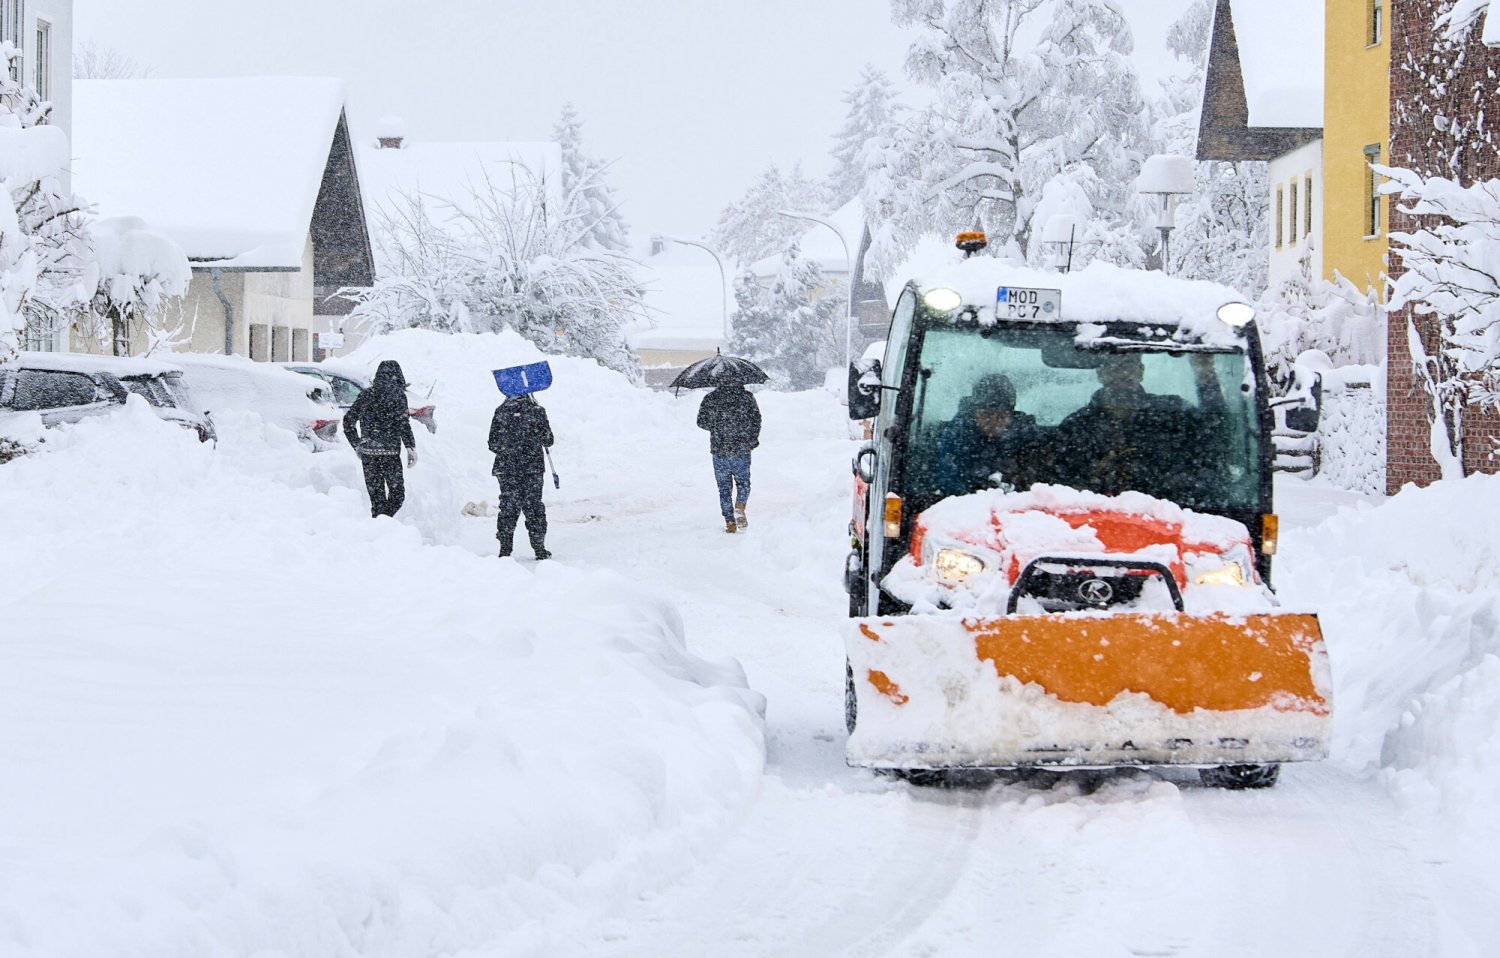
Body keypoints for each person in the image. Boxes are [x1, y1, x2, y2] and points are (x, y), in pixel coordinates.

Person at [1053, 353, 1223, 498]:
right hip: (1089, 524)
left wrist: (1205, 375)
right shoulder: (1076, 427)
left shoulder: (1173, 414)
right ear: (1100, 373)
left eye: (1129, 365)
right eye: (1113, 367)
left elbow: (1215, 430)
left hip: (1170, 518)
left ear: (1141, 371)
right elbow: (1059, 484)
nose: (1122, 374)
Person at [933, 373, 1041, 495]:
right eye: (986, 415)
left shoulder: (1027, 436)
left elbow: (1039, 482)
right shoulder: (958, 436)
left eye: (1001, 416)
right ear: (974, 414)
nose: (993, 422)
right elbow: (947, 479)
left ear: (1011, 415)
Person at [342, 359, 417, 518]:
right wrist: (410, 448)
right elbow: (404, 423)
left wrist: (357, 444)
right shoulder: (398, 396)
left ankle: (379, 524)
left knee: (377, 499)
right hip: (390, 454)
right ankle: (384, 522)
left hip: (369, 455)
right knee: (397, 495)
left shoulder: (366, 394)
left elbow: (348, 421)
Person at [488, 391, 555, 559]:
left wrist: (509, 448)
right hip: (532, 468)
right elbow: (548, 440)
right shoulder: (537, 411)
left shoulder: (500, 411)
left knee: (508, 507)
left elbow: (492, 443)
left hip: (507, 469)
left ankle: (505, 549)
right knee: (533, 507)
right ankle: (539, 547)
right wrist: (532, 440)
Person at [696, 382, 761, 533]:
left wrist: (717, 424)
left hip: (720, 449)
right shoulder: (746, 397)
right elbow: (756, 419)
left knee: (724, 489)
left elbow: (701, 422)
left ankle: (730, 522)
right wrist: (752, 439)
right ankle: (740, 505)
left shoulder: (711, 398)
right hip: (741, 449)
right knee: (743, 484)